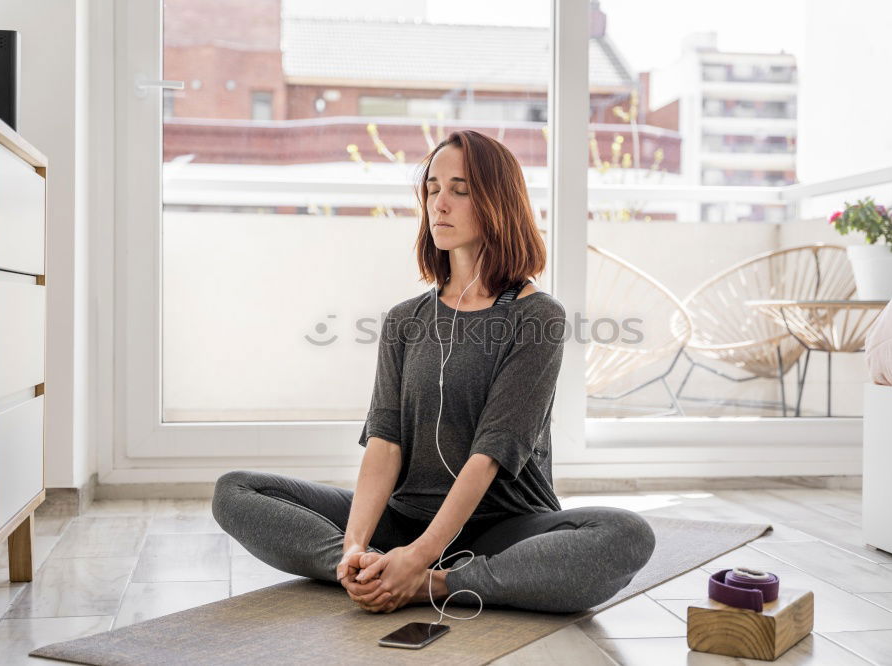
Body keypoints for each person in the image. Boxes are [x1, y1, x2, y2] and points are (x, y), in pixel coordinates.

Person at [212, 130, 655, 616]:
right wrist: (354, 546)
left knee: (627, 535)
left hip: (502, 529)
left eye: (460, 190)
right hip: (403, 520)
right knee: (236, 490)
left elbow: (489, 455)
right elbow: (384, 444)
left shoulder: (537, 317)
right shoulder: (405, 319)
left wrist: (424, 563)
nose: (439, 203)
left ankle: (436, 583)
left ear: (497, 201)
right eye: (432, 188)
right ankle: (367, 572)